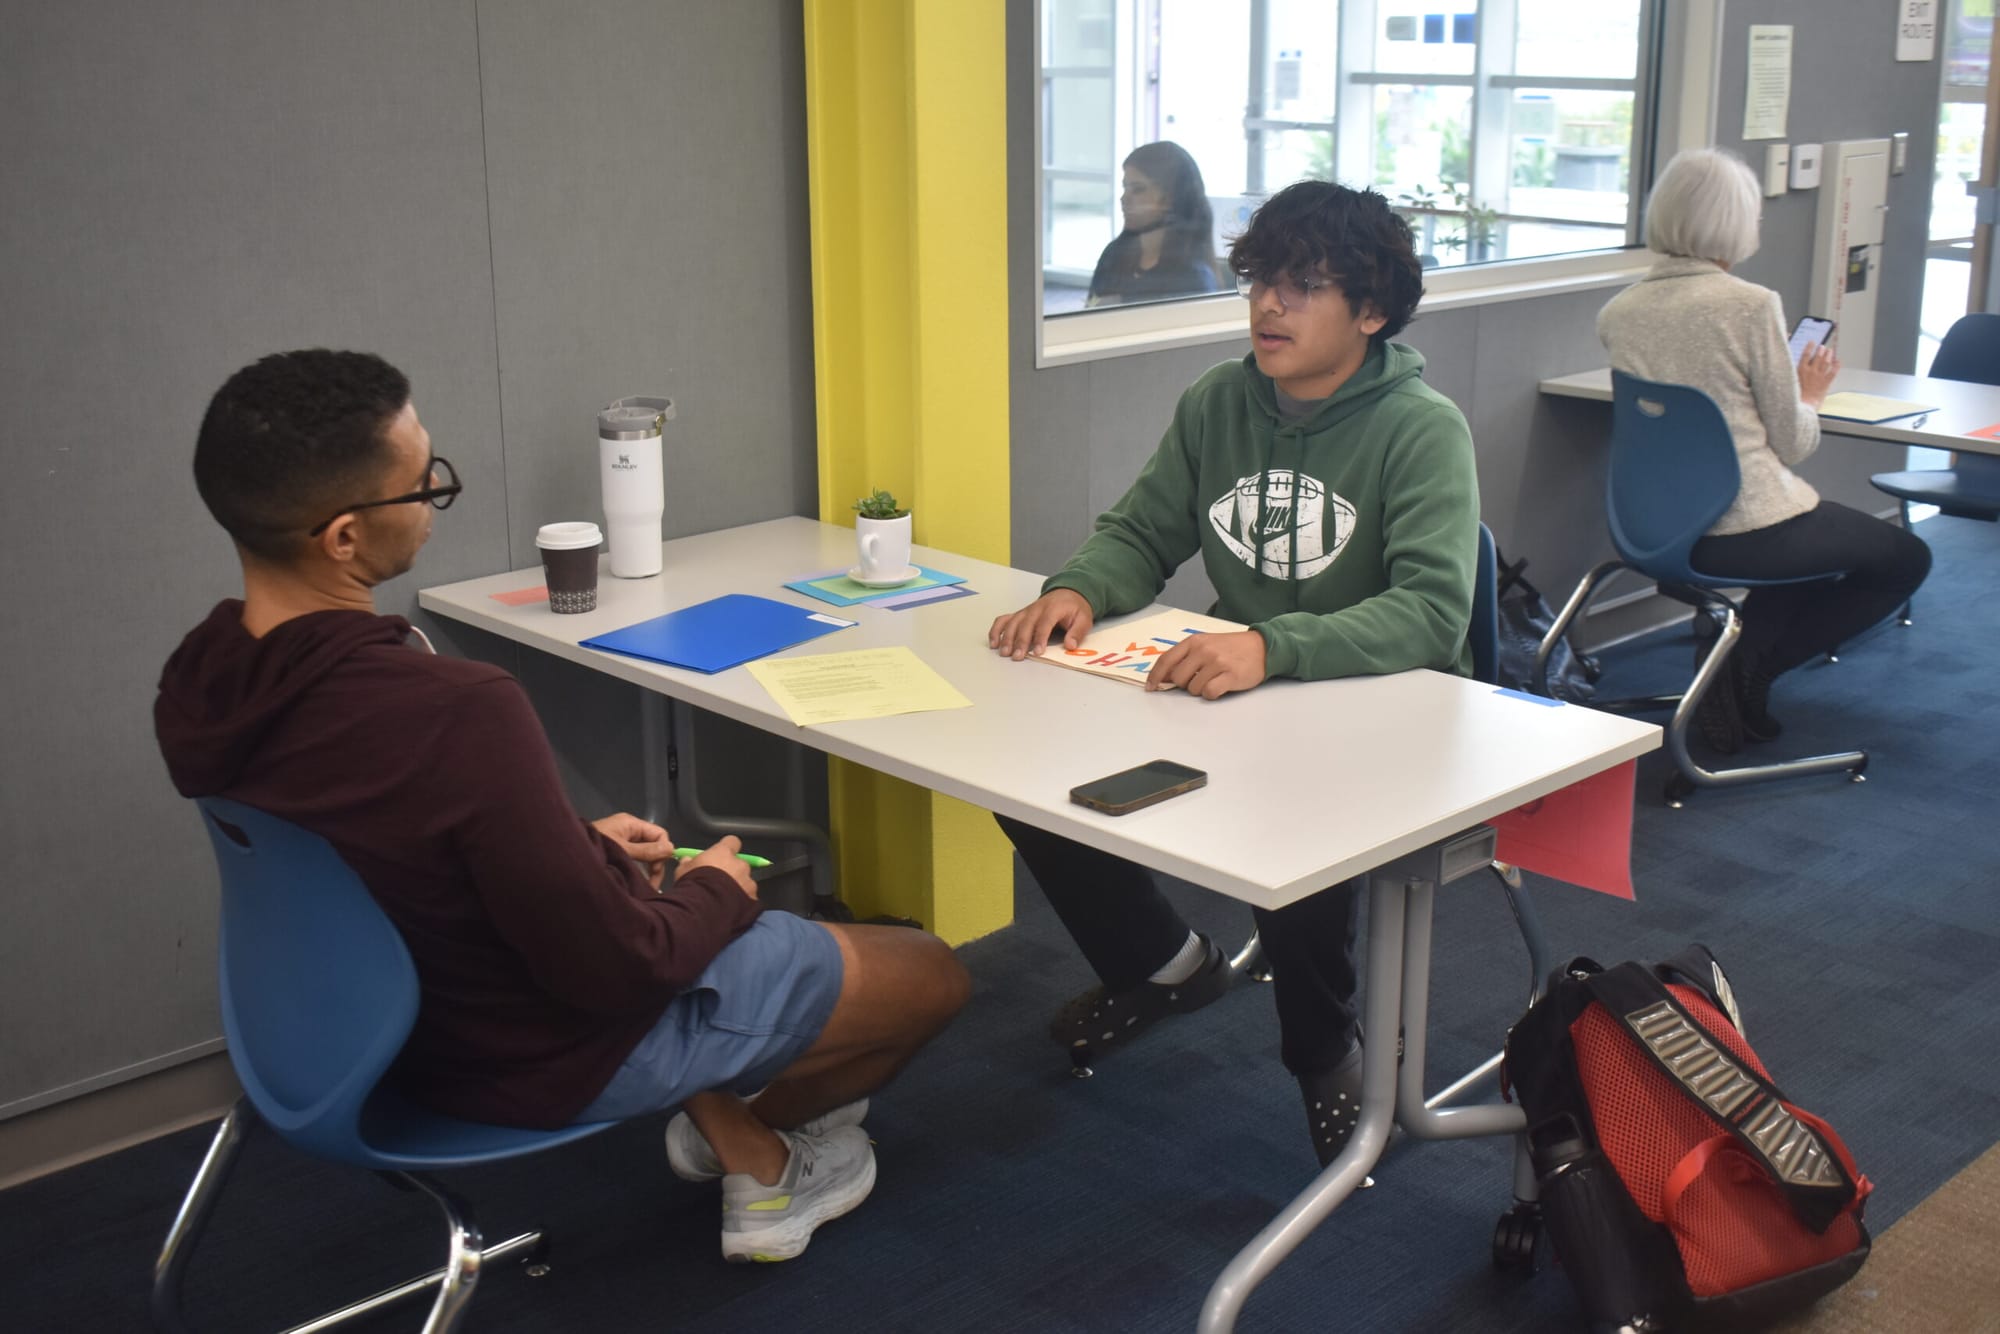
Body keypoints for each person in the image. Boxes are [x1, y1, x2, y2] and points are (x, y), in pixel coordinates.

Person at [153, 349, 970, 1263]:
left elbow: (385, 844)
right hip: (531, 1047)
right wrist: (716, 888)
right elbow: (622, 969)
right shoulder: (455, 707)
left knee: (628, 886)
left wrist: (569, 843)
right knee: (930, 974)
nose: (433, 500)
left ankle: (737, 1136)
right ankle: (768, 1163)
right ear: (343, 538)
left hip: (352, 1032)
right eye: (424, 485)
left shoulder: (203, 681)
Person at [989, 181, 1478, 1167]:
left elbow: (1433, 614)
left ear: (1370, 311)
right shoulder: (1219, 400)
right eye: (1259, 281)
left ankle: (1324, 1050)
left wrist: (1272, 645)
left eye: (1304, 287)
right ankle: (1163, 965)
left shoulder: (1422, 427)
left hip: (1377, 707)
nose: (1268, 306)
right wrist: (1079, 587)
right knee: (1028, 778)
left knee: (1287, 837)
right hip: (1243, 686)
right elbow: (1143, 530)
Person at [1596, 148, 1932, 752]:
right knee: (1904, 558)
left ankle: (1735, 669)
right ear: (1735, 223)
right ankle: (1743, 671)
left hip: (1650, 528)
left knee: (1812, 550)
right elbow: (1794, 442)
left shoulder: (1619, 313)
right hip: (1744, 524)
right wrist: (1812, 393)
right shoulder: (1750, 305)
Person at [1086, 141, 1220, 307]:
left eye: (1138, 189)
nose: (1124, 199)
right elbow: (1090, 310)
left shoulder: (1193, 277)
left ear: (1170, 198)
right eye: (1125, 188)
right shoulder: (1113, 254)